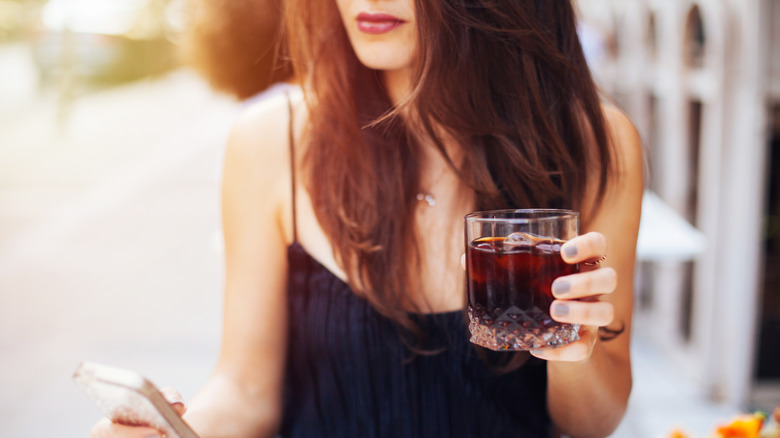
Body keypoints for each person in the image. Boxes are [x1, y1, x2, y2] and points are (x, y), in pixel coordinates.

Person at [92, 0, 643, 437]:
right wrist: (175, 431)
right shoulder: (271, 140)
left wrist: (571, 347)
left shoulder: (596, 145)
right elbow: (244, 391)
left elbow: (590, 422)